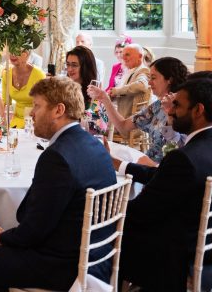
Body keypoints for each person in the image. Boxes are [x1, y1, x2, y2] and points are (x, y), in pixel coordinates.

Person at [0, 77, 117, 291]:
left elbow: (34, 230)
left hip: (61, 266)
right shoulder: (94, 144)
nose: (31, 113)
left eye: (37, 106)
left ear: (58, 110)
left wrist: (5, 237)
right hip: (96, 260)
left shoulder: (57, 157)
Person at [118, 79, 212, 291]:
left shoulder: (184, 159)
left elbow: (140, 213)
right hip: (203, 253)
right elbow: (167, 179)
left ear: (198, 110)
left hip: (172, 259)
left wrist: (103, 210)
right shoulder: (200, 152)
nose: (171, 111)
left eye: (177, 105)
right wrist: (122, 165)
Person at [89, 56, 189, 166]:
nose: (149, 83)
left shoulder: (183, 109)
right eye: (149, 78)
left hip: (165, 169)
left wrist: (170, 115)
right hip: (147, 165)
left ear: (169, 80)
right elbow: (123, 127)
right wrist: (105, 99)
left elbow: (180, 147)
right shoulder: (157, 106)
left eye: (153, 78)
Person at [1, 50, 46, 128]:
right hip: (16, 121)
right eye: (11, 51)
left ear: (27, 54)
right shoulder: (6, 74)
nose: (13, 54)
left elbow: (44, 105)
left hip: (35, 121)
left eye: (18, 51)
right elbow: (5, 102)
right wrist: (1, 122)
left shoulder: (39, 75)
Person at [109, 44, 150, 118]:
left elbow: (141, 85)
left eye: (127, 55)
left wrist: (117, 91)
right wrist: (111, 95)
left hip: (130, 118)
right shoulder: (129, 70)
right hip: (120, 114)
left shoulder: (143, 70)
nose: (123, 58)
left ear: (140, 56)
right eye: (123, 55)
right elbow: (125, 92)